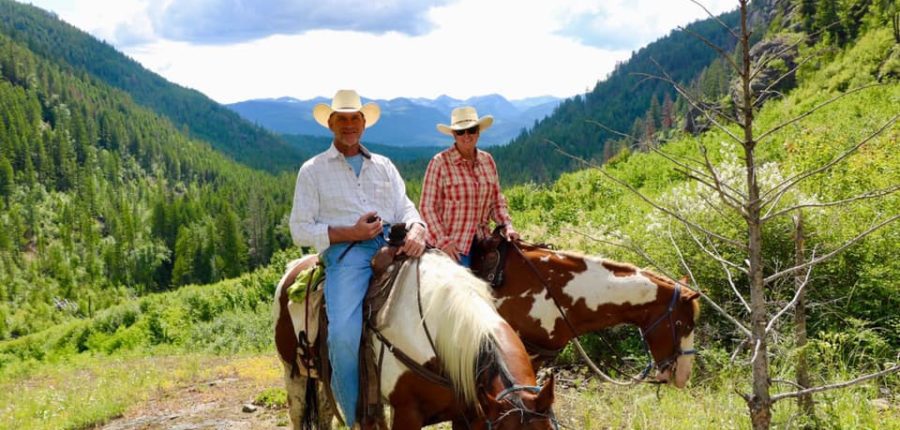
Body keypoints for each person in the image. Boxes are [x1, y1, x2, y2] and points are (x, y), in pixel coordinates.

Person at [289, 89, 426, 428]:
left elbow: (405, 207)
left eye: (354, 119)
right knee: (344, 336)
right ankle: (356, 419)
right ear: (331, 124)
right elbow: (300, 230)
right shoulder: (313, 170)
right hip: (347, 255)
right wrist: (350, 232)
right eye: (342, 120)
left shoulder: (384, 165)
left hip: (394, 247)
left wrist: (418, 228)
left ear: (364, 124)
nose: (349, 125)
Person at [419, 106, 518, 268]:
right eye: (460, 132)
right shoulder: (439, 163)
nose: (466, 136)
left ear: (478, 132)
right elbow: (427, 208)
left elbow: (496, 201)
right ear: (454, 135)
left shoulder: (488, 161)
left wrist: (507, 226)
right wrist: (444, 242)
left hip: (483, 239)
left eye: (471, 130)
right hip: (453, 244)